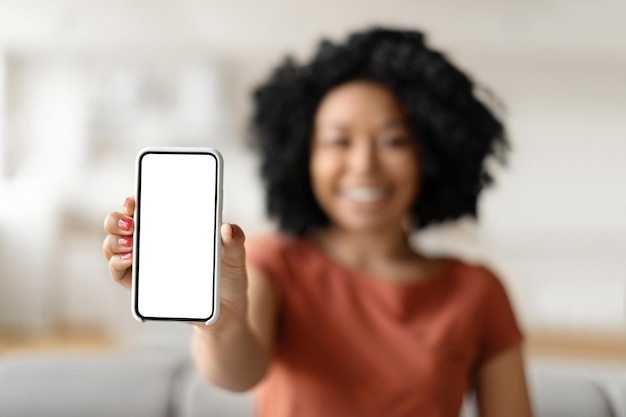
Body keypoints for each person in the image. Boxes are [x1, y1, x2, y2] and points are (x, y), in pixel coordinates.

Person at [103, 27, 533, 417]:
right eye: (338, 141)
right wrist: (220, 319)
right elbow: (236, 374)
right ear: (303, 156)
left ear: (431, 154)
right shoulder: (273, 262)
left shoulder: (478, 292)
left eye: (393, 140)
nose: (363, 164)